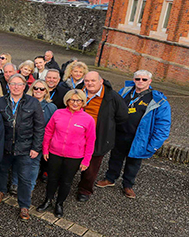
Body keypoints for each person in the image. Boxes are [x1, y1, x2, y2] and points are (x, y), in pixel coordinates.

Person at [97, 70, 172, 199]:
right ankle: (110, 178)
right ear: (133, 80)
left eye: (144, 79)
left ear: (150, 81)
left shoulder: (159, 101)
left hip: (139, 138)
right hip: (119, 134)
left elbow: (163, 126)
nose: (140, 82)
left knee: (133, 163)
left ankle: (128, 185)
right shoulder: (124, 92)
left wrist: (153, 145)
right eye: (137, 79)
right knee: (115, 158)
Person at [36, 90, 96, 217]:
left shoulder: (88, 119)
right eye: (72, 100)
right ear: (67, 101)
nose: (75, 103)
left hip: (74, 157)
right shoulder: (58, 113)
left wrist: (86, 160)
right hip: (55, 153)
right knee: (52, 179)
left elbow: (90, 141)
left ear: (83, 102)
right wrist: (45, 149)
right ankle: (48, 200)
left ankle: (59, 203)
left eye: (78, 100)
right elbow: (48, 131)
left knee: (66, 181)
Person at [0, 74, 45, 220]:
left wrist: (36, 147)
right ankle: (0, 191)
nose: (16, 87)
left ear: (24, 86)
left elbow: (40, 127)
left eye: (19, 84)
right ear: (8, 86)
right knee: (2, 170)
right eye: (13, 84)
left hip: (26, 147)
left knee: (25, 178)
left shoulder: (33, 103)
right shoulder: (0, 102)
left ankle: (24, 205)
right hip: (5, 145)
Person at [73, 72, 128, 203]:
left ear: (101, 81)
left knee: (91, 168)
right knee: (71, 162)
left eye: (93, 80)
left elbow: (123, 116)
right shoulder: (77, 92)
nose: (89, 83)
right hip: (75, 135)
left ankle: (84, 190)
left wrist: (107, 127)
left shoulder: (111, 96)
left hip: (98, 137)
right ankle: (64, 184)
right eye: (87, 81)